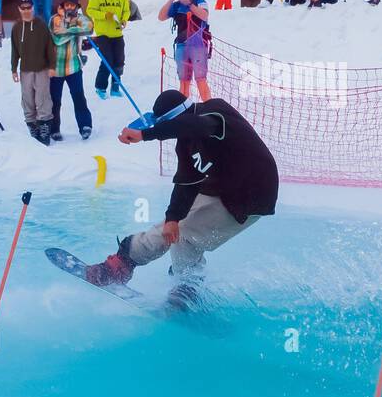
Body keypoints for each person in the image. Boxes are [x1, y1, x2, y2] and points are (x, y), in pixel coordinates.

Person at [84, 90, 279, 306]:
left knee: (186, 235)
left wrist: (146, 134)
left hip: (253, 193)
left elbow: (195, 126)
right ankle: (126, 260)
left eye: (171, 126)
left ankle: (188, 286)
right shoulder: (185, 145)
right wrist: (172, 218)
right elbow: (185, 184)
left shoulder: (215, 112)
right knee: (174, 227)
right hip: (221, 187)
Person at [10, 0, 56, 145]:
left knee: (42, 99)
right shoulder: (16, 28)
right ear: (19, 9)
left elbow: (50, 46)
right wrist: (13, 69)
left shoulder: (41, 24)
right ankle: (33, 129)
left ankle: (44, 131)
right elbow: (14, 50)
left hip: (42, 68)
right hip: (25, 70)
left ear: (33, 8)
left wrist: (52, 66)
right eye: (23, 8)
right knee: (27, 100)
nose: (26, 11)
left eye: (28, 8)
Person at [49, 0, 94, 142]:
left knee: (79, 97)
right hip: (56, 68)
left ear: (76, 7)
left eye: (72, 5)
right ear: (63, 6)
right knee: (55, 101)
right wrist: (75, 31)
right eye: (67, 5)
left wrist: (70, 29)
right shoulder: (55, 19)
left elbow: (89, 28)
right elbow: (57, 36)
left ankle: (85, 126)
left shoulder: (81, 18)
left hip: (74, 66)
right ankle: (54, 129)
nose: (69, 7)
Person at [159, 0, 212, 101]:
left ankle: (209, 105)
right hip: (182, 46)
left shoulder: (199, 0)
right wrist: (171, 0)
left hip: (198, 45)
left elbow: (204, 16)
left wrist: (189, 4)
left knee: (201, 79)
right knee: (184, 81)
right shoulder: (176, 6)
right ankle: (183, 108)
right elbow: (161, 17)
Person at [88, 0, 132, 100]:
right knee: (107, 59)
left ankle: (115, 86)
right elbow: (90, 10)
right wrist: (104, 15)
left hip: (117, 33)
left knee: (119, 60)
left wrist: (124, 20)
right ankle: (100, 87)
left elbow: (126, 10)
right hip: (103, 33)